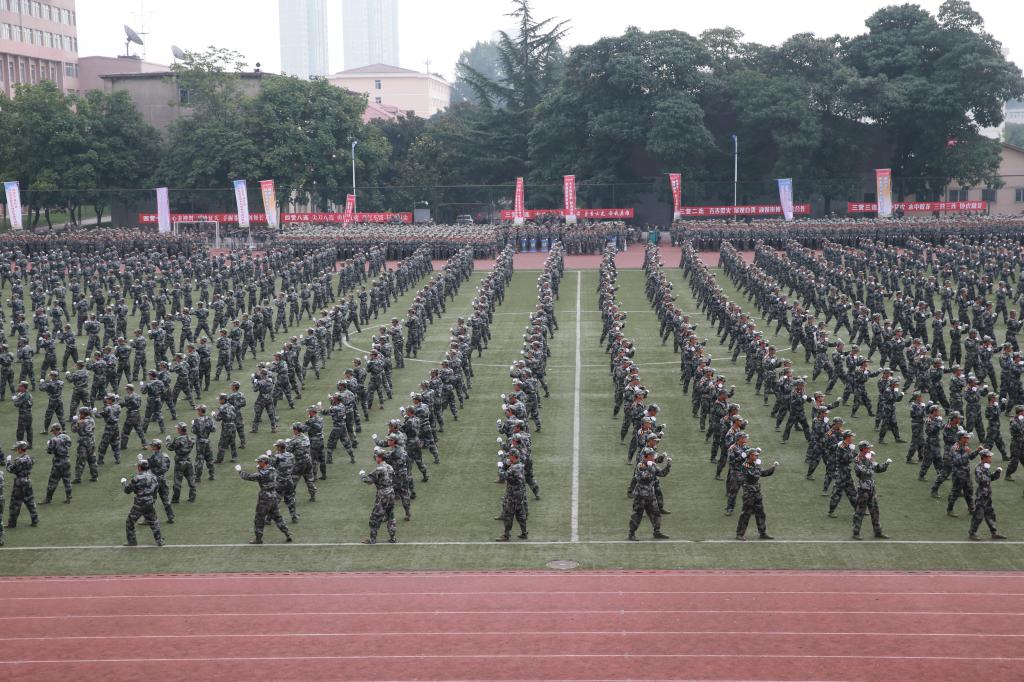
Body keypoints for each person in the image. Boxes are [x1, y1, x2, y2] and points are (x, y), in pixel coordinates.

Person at [236, 453, 292, 544]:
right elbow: (267, 468)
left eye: (259, 461)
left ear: (264, 462)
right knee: (278, 517)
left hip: (265, 498)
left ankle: (258, 539)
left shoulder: (262, 473)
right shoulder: (273, 469)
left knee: (259, 518)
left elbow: (249, 477)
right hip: (274, 496)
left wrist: (240, 471)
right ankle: (287, 533)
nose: (258, 463)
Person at [627, 449, 671, 541]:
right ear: (647, 456)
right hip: (640, 495)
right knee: (637, 514)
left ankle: (657, 532)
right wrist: (650, 467)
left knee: (656, 513)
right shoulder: (640, 465)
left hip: (650, 494)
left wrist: (668, 465)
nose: (653, 456)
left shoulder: (653, 465)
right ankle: (631, 534)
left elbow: (662, 473)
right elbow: (645, 476)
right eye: (652, 455)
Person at [121, 457, 165, 547]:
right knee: (154, 522)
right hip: (149, 502)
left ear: (139, 467)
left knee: (130, 522)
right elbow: (156, 489)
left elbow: (127, 490)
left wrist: (124, 483)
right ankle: (159, 540)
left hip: (139, 504)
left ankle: (132, 541)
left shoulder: (136, 478)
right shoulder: (153, 477)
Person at [735, 448, 777, 541]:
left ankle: (762, 532)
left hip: (756, 492)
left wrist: (773, 468)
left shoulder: (754, 465)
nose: (757, 456)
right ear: (750, 456)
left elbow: (763, 473)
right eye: (755, 455)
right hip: (749, 494)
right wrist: (757, 466)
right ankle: (739, 534)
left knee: (760, 513)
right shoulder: (745, 465)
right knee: (746, 514)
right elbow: (753, 475)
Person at [851, 445, 891, 540]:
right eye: (868, 448)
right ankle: (856, 533)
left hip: (871, 489)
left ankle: (878, 532)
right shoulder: (858, 459)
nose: (869, 450)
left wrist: (886, 464)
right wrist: (870, 462)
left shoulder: (868, 458)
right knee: (859, 512)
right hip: (863, 490)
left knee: (875, 511)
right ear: (863, 449)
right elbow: (865, 471)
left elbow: (878, 468)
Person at [360, 447, 397, 544]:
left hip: (383, 495)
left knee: (375, 517)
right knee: (390, 516)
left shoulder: (379, 469)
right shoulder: (390, 467)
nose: (375, 458)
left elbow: (368, 481)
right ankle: (392, 537)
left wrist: (362, 475)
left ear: (380, 458)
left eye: (376, 456)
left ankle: (372, 539)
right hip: (391, 493)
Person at [969, 448, 1005, 541]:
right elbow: (982, 480)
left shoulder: (985, 467)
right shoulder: (979, 468)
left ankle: (994, 533)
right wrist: (986, 470)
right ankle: (972, 533)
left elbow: (990, 478)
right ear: (984, 458)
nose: (991, 458)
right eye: (989, 457)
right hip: (981, 495)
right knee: (979, 515)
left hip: (987, 495)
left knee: (990, 514)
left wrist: (997, 472)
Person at [5, 441, 39, 529]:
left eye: (18, 448)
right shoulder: (30, 458)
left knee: (15, 504)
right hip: (27, 481)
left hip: (19, 483)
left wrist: (8, 461)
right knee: (30, 501)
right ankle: (35, 520)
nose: (17, 450)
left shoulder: (19, 460)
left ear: (21, 449)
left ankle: (12, 523)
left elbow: (10, 470)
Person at [42, 423, 73, 504]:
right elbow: (69, 445)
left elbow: (49, 451)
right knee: (67, 480)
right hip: (66, 460)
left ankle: (48, 499)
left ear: (55, 430)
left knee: (53, 481)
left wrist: (48, 445)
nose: (52, 432)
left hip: (58, 462)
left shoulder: (53, 440)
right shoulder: (67, 436)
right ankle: (68, 497)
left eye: (53, 431)